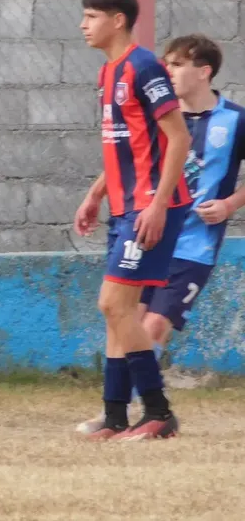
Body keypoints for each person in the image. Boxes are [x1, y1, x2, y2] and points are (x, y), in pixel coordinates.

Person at [77, 33, 245, 434]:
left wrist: (230, 204)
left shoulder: (235, 120)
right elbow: (128, 157)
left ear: (203, 72)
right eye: (165, 63)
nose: (166, 71)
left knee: (152, 328)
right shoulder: (160, 113)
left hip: (193, 246)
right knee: (122, 318)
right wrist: (95, 193)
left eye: (176, 64)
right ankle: (118, 413)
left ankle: (150, 413)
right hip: (149, 232)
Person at [73, 0, 192, 441]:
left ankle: (159, 413)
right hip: (124, 208)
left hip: (150, 208)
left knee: (114, 304)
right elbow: (123, 145)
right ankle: (115, 415)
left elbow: (178, 137)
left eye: (91, 16)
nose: (84, 26)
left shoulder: (144, 67)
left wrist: (159, 204)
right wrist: (96, 193)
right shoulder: (108, 73)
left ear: (117, 20)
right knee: (116, 312)